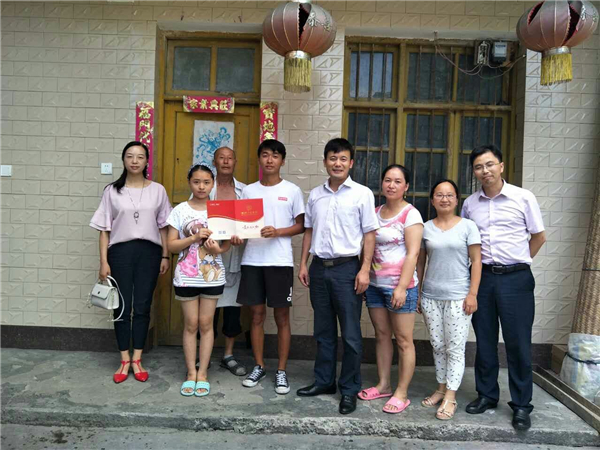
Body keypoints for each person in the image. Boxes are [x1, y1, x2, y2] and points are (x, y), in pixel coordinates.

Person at [461, 145, 546, 431]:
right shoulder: (470, 204)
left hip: (516, 279)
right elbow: (468, 243)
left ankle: (521, 404)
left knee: (518, 342)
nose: (484, 171)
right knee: (484, 340)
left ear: (501, 166)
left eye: (489, 165)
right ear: (474, 172)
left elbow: (539, 236)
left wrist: (518, 262)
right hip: (483, 278)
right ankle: (487, 395)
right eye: (478, 167)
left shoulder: (523, 197)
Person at [297, 138, 379, 415]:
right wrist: (303, 263)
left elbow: (370, 234)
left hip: (347, 269)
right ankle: (324, 381)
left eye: (343, 158)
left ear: (351, 163)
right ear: (325, 162)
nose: (337, 163)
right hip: (319, 268)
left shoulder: (362, 194)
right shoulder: (315, 194)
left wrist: (364, 269)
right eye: (332, 158)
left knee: (351, 334)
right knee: (323, 331)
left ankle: (349, 389)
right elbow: (309, 230)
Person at [90, 141, 172, 384]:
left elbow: (164, 226)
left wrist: (165, 255)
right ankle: (124, 359)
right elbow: (104, 229)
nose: (135, 160)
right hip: (120, 253)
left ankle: (137, 358)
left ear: (147, 161)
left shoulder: (158, 190)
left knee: (143, 306)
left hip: (150, 252)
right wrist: (103, 261)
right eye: (129, 156)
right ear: (123, 160)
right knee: (122, 307)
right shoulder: (112, 191)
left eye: (140, 156)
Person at [232, 139, 305, 395]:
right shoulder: (248, 191)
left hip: (280, 261)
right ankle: (259, 365)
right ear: (259, 159)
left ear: (282, 161)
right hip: (253, 260)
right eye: (265, 155)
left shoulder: (292, 190)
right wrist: (236, 235)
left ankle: (281, 371)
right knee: (256, 316)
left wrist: (278, 232)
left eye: (275, 155)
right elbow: (241, 225)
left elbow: (301, 225)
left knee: (282, 317)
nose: (270, 160)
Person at [357, 164, 423, 415]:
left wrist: (402, 287)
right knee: (382, 335)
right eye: (387, 180)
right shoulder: (375, 212)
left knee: (404, 340)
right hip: (375, 285)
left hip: (400, 287)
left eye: (397, 181)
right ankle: (383, 384)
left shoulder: (411, 214)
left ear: (406, 186)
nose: (391, 185)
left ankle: (401, 393)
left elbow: (413, 254)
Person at [416, 179, 482, 420]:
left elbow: (477, 261)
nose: (444, 199)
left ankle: (451, 397)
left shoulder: (468, 226)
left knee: (455, 348)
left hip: (458, 297)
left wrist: (472, 294)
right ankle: (441, 388)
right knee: (437, 345)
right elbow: (420, 262)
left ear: (456, 199)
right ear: (432, 200)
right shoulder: (425, 228)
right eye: (439, 195)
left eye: (449, 195)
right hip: (431, 296)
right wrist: (418, 292)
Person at [167, 164, 231, 397]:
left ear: (213, 184)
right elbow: (171, 245)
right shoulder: (180, 210)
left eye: (206, 182)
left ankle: (202, 373)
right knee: (191, 324)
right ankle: (190, 373)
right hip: (186, 276)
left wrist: (218, 249)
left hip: (212, 276)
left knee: (206, 324)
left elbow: (226, 245)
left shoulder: (220, 210)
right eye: (196, 182)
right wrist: (193, 238)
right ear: (189, 182)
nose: (201, 186)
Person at [210, 147, 247, 377]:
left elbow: (249, 221)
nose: (225, 161)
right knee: (207, 308)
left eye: (229, 158)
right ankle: (203, 354)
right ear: (214, 162)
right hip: (209, 256)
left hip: (235, 254)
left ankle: (228, 355)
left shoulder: (244, 190)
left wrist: (243, 233)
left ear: (235, 161)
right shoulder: (206, 186)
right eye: (221, 158)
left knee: (232, 309)